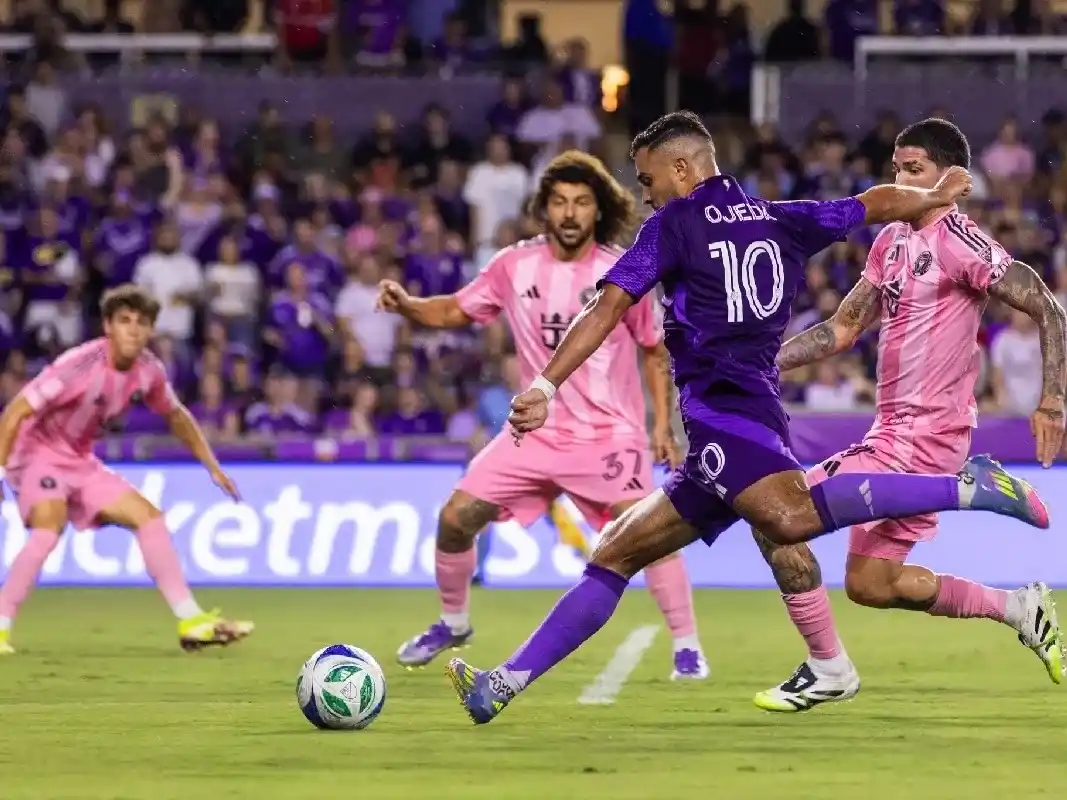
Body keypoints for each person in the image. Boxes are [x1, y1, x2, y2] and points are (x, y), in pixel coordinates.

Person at [444, 111, 1050, 724]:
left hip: (725, 416)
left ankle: (965, 489)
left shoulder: (672, 224)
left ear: (682, 169)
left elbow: (607, 307)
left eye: (647, 177)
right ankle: (500, 685)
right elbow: (872, 203)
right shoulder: (780, 215)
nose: (643, 191)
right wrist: (934, 194)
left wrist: (546, 382)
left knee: (787, 521)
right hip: (744, 414)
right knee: (615, 552)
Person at [753, 118, 1067, 712]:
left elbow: (1048, 308)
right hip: (894, 434)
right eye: (897, 168)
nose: (900, 179)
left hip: (921, 438)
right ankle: (1017, 607)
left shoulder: (958, 239)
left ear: (950, 178)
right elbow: (843, 328)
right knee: (871, 585)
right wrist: (765, 362)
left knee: (776, 519)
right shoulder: (890, 239)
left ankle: (829, 668)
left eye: (914, 169)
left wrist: (1052, 400)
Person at [378, 150, 712, 680]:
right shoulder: (513, 265)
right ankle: (453, 621)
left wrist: (659, 427)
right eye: (559, 202)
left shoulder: (620, 268)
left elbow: (653, 348)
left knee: (651, 533)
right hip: (532, 431)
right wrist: (409, 306)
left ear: (597, 210)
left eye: (581, 202)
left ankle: (688, 648)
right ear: (544, 209)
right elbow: (456, 309)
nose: (570, 213)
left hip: (607, 434)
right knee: (454, 518)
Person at [0, 285, 253, 655]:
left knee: (148, 517)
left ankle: (192, 621)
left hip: (80, 460)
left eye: (142, 322)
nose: (133, 330)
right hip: (36, 454)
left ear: (151, 330)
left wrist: (212, 466)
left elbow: (176, 415)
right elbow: (15, 412)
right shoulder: (77, 366)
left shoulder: (149, 371)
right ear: (107, 326)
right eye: (124, 321)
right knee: (48, 529)